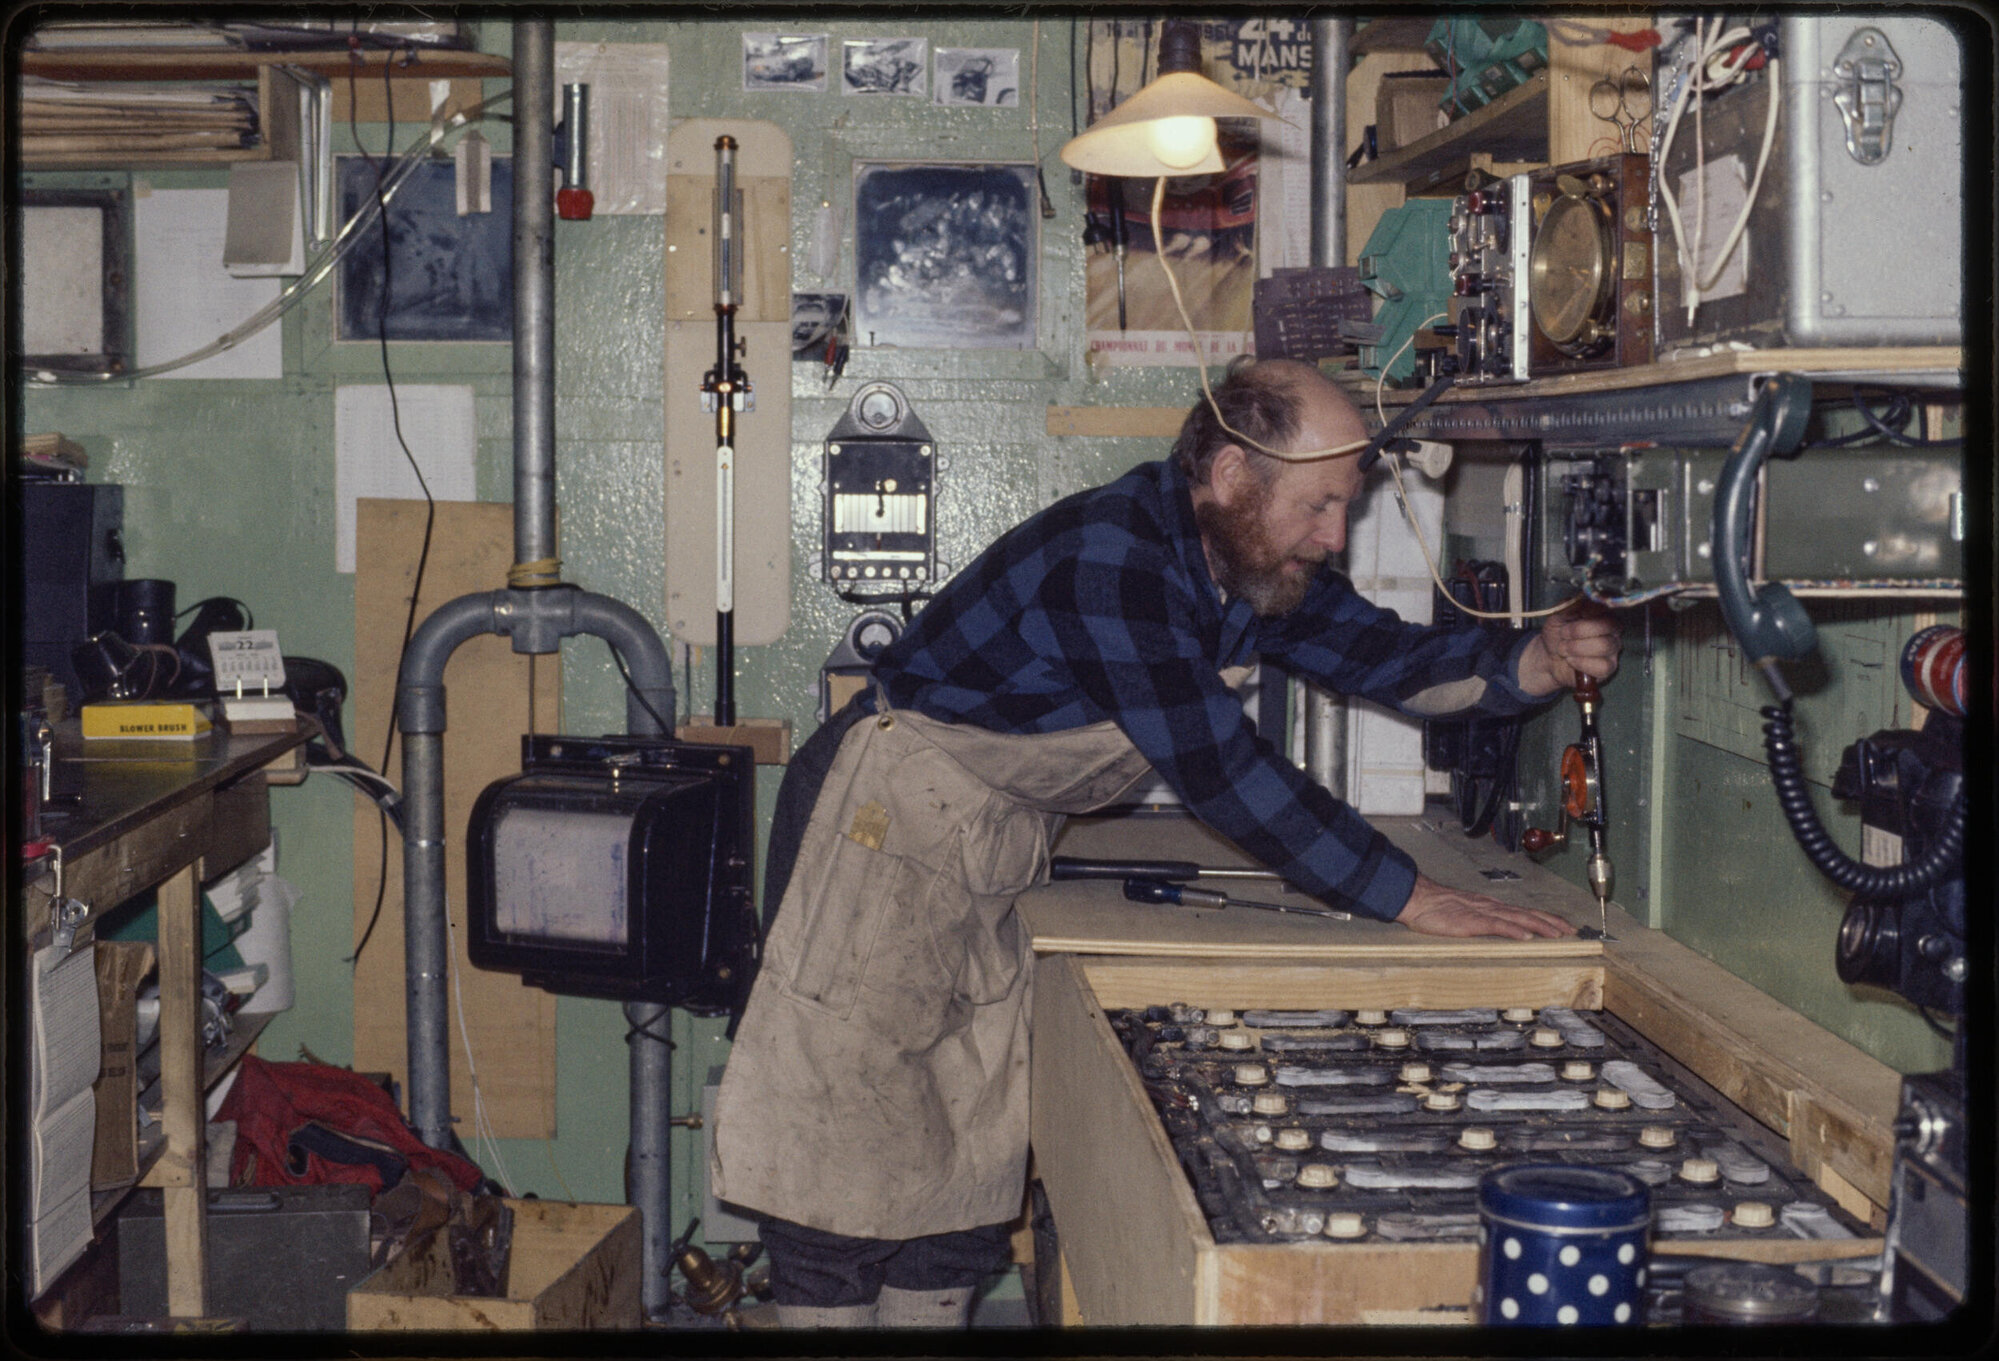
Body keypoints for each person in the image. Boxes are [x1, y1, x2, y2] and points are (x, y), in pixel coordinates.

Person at [711, 358, 1622, 1328]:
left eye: (1341, 508)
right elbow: (1222, 770)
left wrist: (1535, 656)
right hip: (883, 813)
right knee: (843, 1121)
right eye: (1317, 505)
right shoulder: (1117, 557)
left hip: (985, 829)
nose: (1330, 535)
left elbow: (1387, 658)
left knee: (971, 1118)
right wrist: (1412, 896)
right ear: (1232, 475)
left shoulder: (1249, 562)